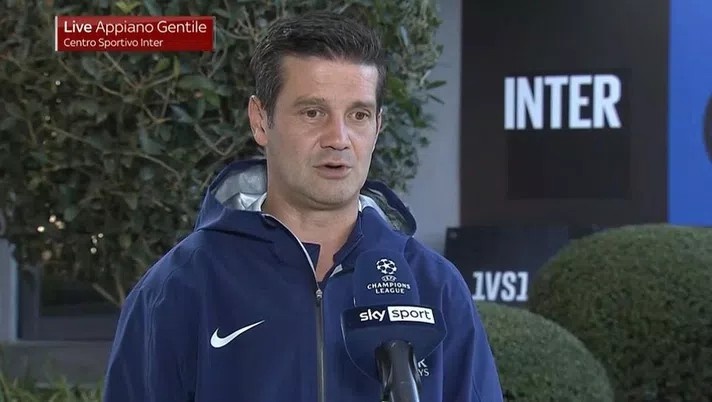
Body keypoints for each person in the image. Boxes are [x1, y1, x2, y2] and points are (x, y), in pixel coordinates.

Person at [102, 10, 503, 402]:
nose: (339, 138)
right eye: (313, 112)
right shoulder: (180, 287)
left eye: (358, 114)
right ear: (260, 120)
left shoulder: (435, 287)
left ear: (378, 126)